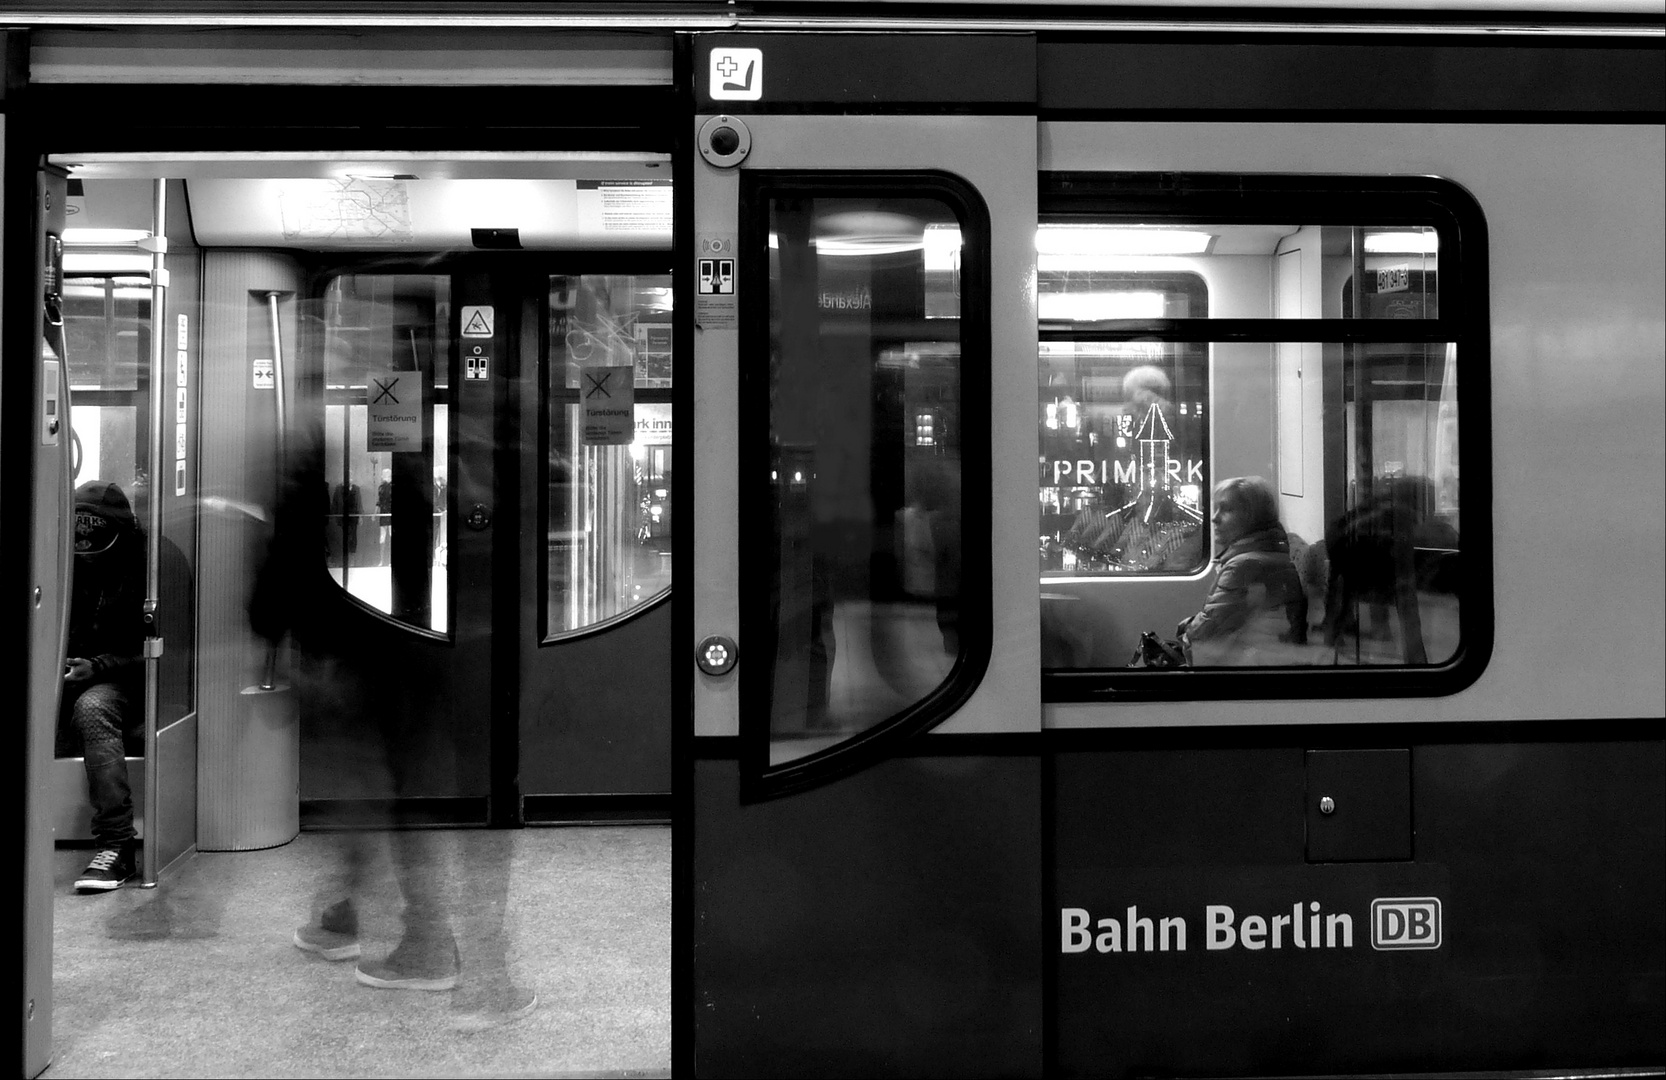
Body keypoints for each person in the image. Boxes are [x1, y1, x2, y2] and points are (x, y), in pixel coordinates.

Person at [62, 480, 147, 891]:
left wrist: (97, 666)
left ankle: (118, 844)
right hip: (77, 669)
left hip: (128, 680)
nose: (85, 551)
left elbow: (159, 648)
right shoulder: (66, 560)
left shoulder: (150, 565)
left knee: (93, 710)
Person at [1176, 475, 1309, 666]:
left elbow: (1205, 634)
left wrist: (1185, 629)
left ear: (1252, 518)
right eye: (1216, 509)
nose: (1214, 518)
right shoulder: (1264, 556)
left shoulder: (1245, 567)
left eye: (1227, 509)